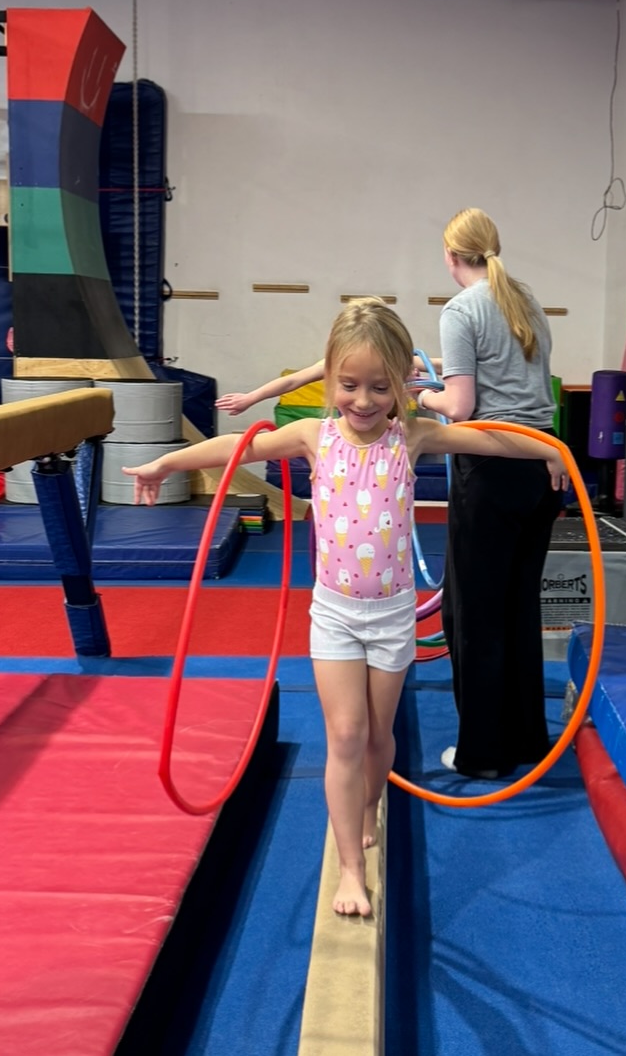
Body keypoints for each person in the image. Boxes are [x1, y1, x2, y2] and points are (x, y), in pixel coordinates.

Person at [126, 297, 568, 917]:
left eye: (379, 388)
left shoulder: (410, 436)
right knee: (346, 733)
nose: (363, 401)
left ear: (402, 386)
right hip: (333, 613)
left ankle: (368, 806)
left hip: (391, 616)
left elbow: (488, 439)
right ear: (330, 379)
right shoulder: (314, 434)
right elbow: (239, 450)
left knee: (379, 738)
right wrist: (167, 461)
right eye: (349, 386)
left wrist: (549, 450)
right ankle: (352, 871)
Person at [414, 207, 563, 780]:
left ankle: (481, 753)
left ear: (452, 258)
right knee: (517, 609)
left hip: (494, 468)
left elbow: (461, 407)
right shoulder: (525, 300)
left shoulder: (461, 308)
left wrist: (422, 398)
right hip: (543, 466)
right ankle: (525, 739)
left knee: (472, 614)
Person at [217, 354, 443, 416]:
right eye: (349, 385)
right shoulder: (336, 361)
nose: (362, 400)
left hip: (390, 423)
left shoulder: (395, 359)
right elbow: (293, 380)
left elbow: (442, 366)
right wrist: (250, 398)